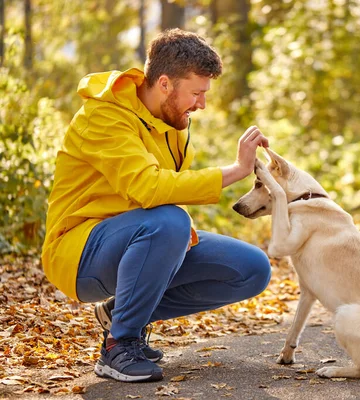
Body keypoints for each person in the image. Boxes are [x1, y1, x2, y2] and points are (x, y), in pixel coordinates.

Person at [41, 29, 272, 383]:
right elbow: (147, 188)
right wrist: (236, 171)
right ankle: (119, 345)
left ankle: (121, 314)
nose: (201, 104)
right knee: (169, 221)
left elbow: (163, 193)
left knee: (252, 268)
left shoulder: (171, 122)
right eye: (196, 93)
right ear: (164, 83)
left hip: (141, 240)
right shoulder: (104, 116)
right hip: (80, 251)